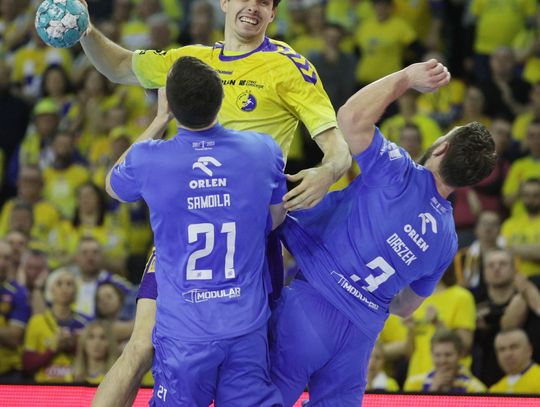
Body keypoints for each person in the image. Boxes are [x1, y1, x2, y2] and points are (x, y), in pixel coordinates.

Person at [79, 0, 350, 403]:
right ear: (224, 2)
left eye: (264, 2)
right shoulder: (192, 63)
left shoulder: (289, 68)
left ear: (273, 13)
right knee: (140, 346)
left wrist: (327, 173)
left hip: (249, 241)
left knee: (245, 361)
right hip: (184, 232)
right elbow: (117, 66)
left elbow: (338, 150)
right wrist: (86, 30)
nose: (253, 7)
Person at [270, 59, 496, 405]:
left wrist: (406, 77)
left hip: (312, 307)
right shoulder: (447, 239)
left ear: (442, 147)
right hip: (359, 338)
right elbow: (405, 308)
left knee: (264, 400)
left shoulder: (400, 172)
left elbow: (350, 118)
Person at [106, 56, 286, 406]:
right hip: (245, 326)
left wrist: (159, 120)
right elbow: (276, 217)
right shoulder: (263, 150)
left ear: (172, 105)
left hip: (185, 333)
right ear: (221, 98)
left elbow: (113, 185)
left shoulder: (148, 158)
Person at [404, 330, 486, 393]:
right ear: (431, 355)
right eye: (437, 355)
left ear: (460, 355)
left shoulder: (476, 389)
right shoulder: (414, 384)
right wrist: (433, 391)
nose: (443, 360)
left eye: (448, 355)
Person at [490, 328, 540, 394]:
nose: (508, 354)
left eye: (514, 347)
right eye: (502, 349)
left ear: (529, 350)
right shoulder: (495, 390)